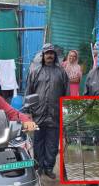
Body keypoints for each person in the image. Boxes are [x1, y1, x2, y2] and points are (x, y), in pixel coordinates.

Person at [25, 43, 69, 179]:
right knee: (38, 142)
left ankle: (49, 168)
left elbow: (66, 92)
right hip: (38, 114)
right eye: (47, 53)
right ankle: (38, 166)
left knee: (52, 144)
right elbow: (29, 91)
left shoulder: (61, 72)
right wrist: (27, 111)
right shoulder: (35, 72)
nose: (49, 55)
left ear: (54, 55)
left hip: (54, 114)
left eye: (51, 53)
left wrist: (66, 109)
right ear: (42, 55)